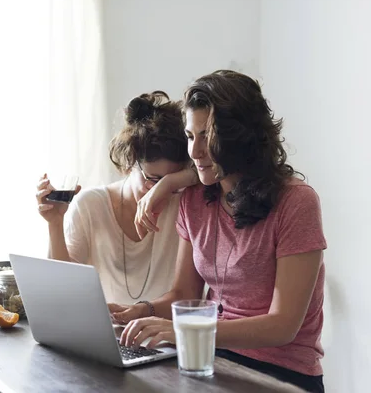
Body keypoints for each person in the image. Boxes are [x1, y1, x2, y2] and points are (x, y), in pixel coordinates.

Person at [113, 71, 327, 393]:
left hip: (282, 374)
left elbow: (283, 326)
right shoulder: (195, 199)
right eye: (190, 136)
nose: (195, 152)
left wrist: (186, 329)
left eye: (207, 137)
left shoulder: (297, 202)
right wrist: (139, 313)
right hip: (211, 360)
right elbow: (185, 294)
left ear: (240, 138)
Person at [35, 91, 199, 305]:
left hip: (167, 334)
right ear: (131, 162)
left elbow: (218, 171)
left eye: (173, 180)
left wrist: (172, 184)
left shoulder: (185, 203)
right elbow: (62, 290)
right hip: (108, 334)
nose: (160, 192)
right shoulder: (91, 205)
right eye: (153, 179)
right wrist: (55, 224)